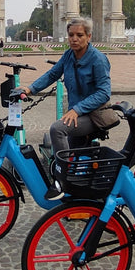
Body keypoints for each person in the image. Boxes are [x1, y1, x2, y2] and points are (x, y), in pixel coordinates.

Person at [22, 17, 112, 199]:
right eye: (71, 35)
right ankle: (81, 196)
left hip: (94, 115)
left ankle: (63, 181)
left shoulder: (98, 59)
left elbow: (104, 93)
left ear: (89, 36)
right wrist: (30, 88)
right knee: (73, 154)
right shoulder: (69, 55)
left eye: (79, 35)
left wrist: (78, 109)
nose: (74, 39)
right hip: (77, 116)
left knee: (57, 129)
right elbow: (52, 74)